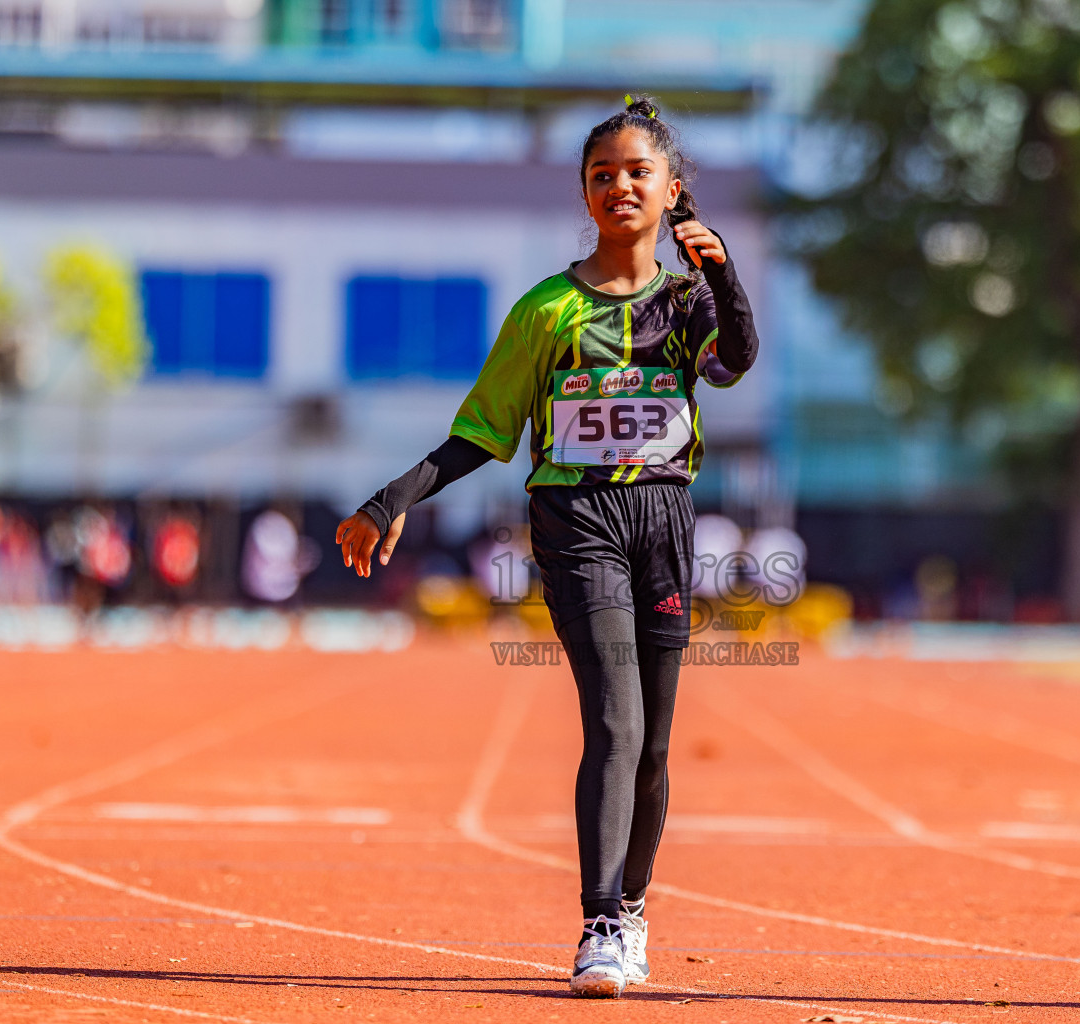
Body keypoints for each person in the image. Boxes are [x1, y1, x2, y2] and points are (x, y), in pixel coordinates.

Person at [335, 95, 759, 998]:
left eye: (638, 171)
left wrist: (725, 277)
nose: (620, 186)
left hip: (665, 525)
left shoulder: (686, 304)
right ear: (584, 192)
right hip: (578, 526)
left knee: (654, 750)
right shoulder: (546, 311)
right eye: (602, 174)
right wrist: (390, 499)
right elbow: (483, 432)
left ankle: (635, 907)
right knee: (613, 721)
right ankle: (600, 922)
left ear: (672, 189)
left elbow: (733, 362)